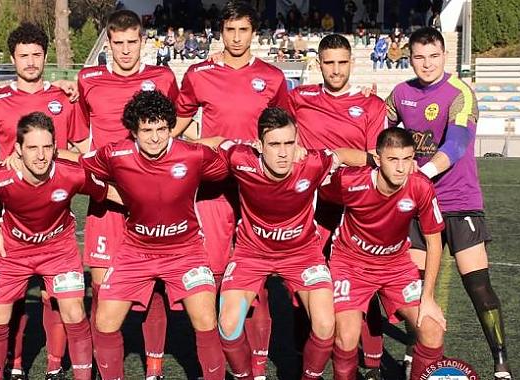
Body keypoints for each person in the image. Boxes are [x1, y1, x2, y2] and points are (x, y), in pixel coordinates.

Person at [386, 27, 514, 380]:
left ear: (444, 56)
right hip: (418, 204)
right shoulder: (400, 94)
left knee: (478, 285)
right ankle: (417, 352)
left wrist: (420, 173)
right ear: (409, 58)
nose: (426, 64)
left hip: (460, 203)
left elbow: (456, 145)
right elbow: (381, 134)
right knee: (414, 286)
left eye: (433, 56)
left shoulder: (461, 93)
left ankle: (500, 362)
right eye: (419, 57)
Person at [173, 3, 292, 378]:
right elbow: (177, 122)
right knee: (216, 272)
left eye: (243, 30)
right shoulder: (199, 73)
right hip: (215, 188)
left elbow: (288, 128)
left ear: (253, 32)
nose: (236, 37)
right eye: (230, 30)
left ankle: (256, 367)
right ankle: (221, 361)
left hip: (259, 187)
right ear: (219, 32)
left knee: (256, 278)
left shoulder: (272, 77)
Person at [81, 90, 228, 380]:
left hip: (185, 251)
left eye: (162, 129)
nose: (155, 138)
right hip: (135, 251)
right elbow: (82, 170)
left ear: (171, 127)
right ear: (133, 130)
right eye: (147, 130)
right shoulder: (115, 154)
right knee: (105, 322)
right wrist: (111, 193)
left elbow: (224, 168)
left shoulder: (194, 155)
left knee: (206, 320)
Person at [213, 107, 364, 380]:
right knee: (227, 325)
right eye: (274, 144)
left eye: (289, 143)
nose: (283, 153)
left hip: (302, 254)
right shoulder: (240, 158)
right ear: (259, 145)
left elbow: (343, 154)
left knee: (325, 324)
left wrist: (378, 160)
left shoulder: (312, 163)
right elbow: (216, 141)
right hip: (251, 253)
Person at [0, 22, 89, 380]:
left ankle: (55, 364)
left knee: (56, 297)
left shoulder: (64, 98)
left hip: (54, 212)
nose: (30, 62)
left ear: (45, 56)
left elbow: (82, 153)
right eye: (23, 55)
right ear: (13, 58)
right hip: (10, 213)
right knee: (12, 299)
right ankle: (17, 362)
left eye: (36, 54)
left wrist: (58, 155)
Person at [75, 9, 179, 379]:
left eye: (131, 42)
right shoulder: (88, 79)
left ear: (143, 41)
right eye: (117, 43)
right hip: (107, 201)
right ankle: (102, 369)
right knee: (101, 287)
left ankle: (154, 368)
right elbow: (77, 135)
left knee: (153, 286)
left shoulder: (163, 78)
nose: (124, 51)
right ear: (108, 42)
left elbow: (176, 125)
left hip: (152, 201)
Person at [0, 113, 113, 380]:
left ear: (56, 147)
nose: (41, 155)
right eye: (32, 148)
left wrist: (148, 203)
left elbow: (108, 192)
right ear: (18, 149)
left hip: (59, 251)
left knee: (74, 311)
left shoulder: (72, 174)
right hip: (13, 253)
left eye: (47, 147)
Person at [279, 33, 387, 379]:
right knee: (305, 282)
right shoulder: (299, 98)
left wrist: (335, 155)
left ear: (352, 63)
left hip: (356, 209)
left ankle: (369, 361)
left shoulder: (371, 105)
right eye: (329, 62)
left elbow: (375, 157)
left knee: (362, 284)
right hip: (311, 208)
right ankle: (303, 356)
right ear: (319, 64)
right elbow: (265, 117)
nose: (336, 70)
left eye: (343, 62)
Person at [321, 128, 447, 380]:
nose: (401, 168)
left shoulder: (420, 186)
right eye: (392, 159)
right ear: (377, 160)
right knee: (346, 335)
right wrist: (335, 157)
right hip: (350, 265)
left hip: (397, 267)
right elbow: (317, 184)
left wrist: (429, 297)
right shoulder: (349, 182)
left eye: (407, 159)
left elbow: (434, 243)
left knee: (432, 329)